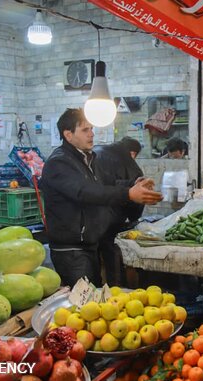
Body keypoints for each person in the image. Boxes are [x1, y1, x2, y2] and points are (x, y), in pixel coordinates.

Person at [40, 109, 163, 287]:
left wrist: (133, 183)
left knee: (94, 296)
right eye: (85, 130)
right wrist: (128, 194)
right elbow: (85, 192)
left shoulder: (87, 159)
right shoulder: (59, 163)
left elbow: (106, 183)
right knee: (83, 305)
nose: (92, 134)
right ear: (68, 135)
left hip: (89, 244)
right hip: (71, 250)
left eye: (91, 128)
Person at [94, 137, 145, 286]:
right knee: (112, 253)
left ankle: (96, 288)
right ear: (133, 153)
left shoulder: (96, 151)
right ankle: (116, 288)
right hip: (111, 219)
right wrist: (134, 217)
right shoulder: (130, 165)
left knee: (93, 254)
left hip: (89, 219)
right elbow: (136, 200)